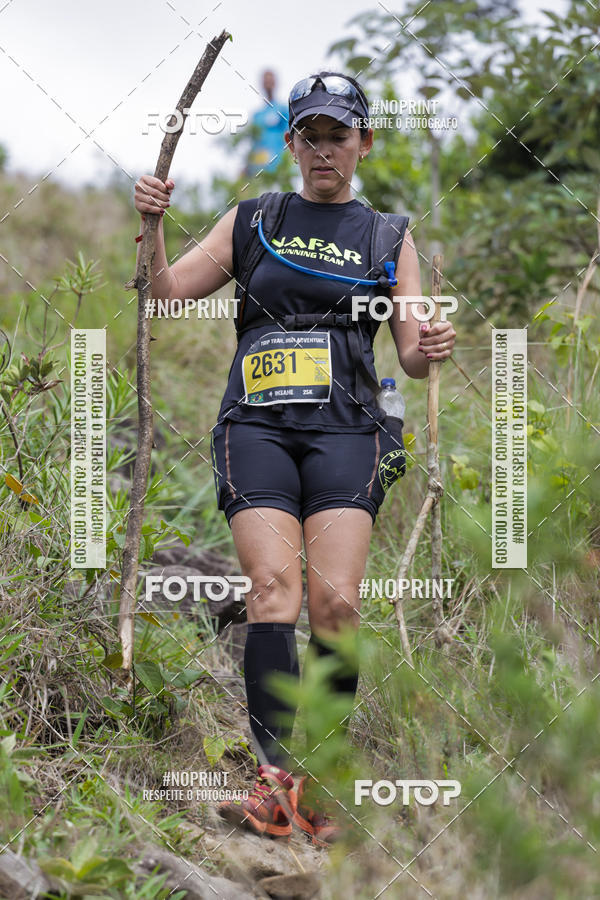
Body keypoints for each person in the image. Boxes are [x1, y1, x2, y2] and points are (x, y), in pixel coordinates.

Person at [133, 70, 457, 847]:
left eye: (338, 135)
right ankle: (274, 785)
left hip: (350, 431)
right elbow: (165, 293)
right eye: (308, 135)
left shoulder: (389, 235)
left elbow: (412, 355)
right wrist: (150, 226)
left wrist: (432, 344)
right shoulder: (254, 218)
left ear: (363, 143)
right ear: (291, 143)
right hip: (259, 430)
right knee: (274, 590)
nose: (323, 150)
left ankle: (320, 778)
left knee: (336, 607)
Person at [245, 69, 288, 177]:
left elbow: (290, 136)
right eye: (265, 81)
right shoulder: (257, 115)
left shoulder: (283, 109)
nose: (268, 84)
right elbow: (254, 143)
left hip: (280, 166)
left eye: (270, 80)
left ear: (275, 83)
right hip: (260, 167)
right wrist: (248, 165)